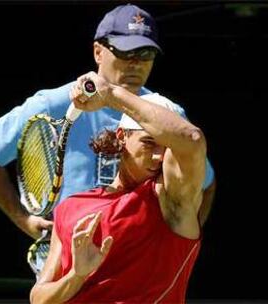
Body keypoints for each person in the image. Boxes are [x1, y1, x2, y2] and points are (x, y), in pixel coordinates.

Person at [0, 3, 216, 271]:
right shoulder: (53, 104)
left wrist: (177, 246)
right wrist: (22, 219)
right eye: (125, 51)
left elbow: (206, 185)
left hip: (136, 273)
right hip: (66, 269)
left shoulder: (165, 114)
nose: (136, 63)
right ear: (98, 51)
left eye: (146, 53)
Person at [30, 71, 207, 303]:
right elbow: (39, 298)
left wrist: (110, 94)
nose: (159, 157)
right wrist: (76, 275)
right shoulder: (70, 207)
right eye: (149, 143)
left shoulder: (171, 199)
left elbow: (192, 139)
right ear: (122, 136)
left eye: (166, 148)